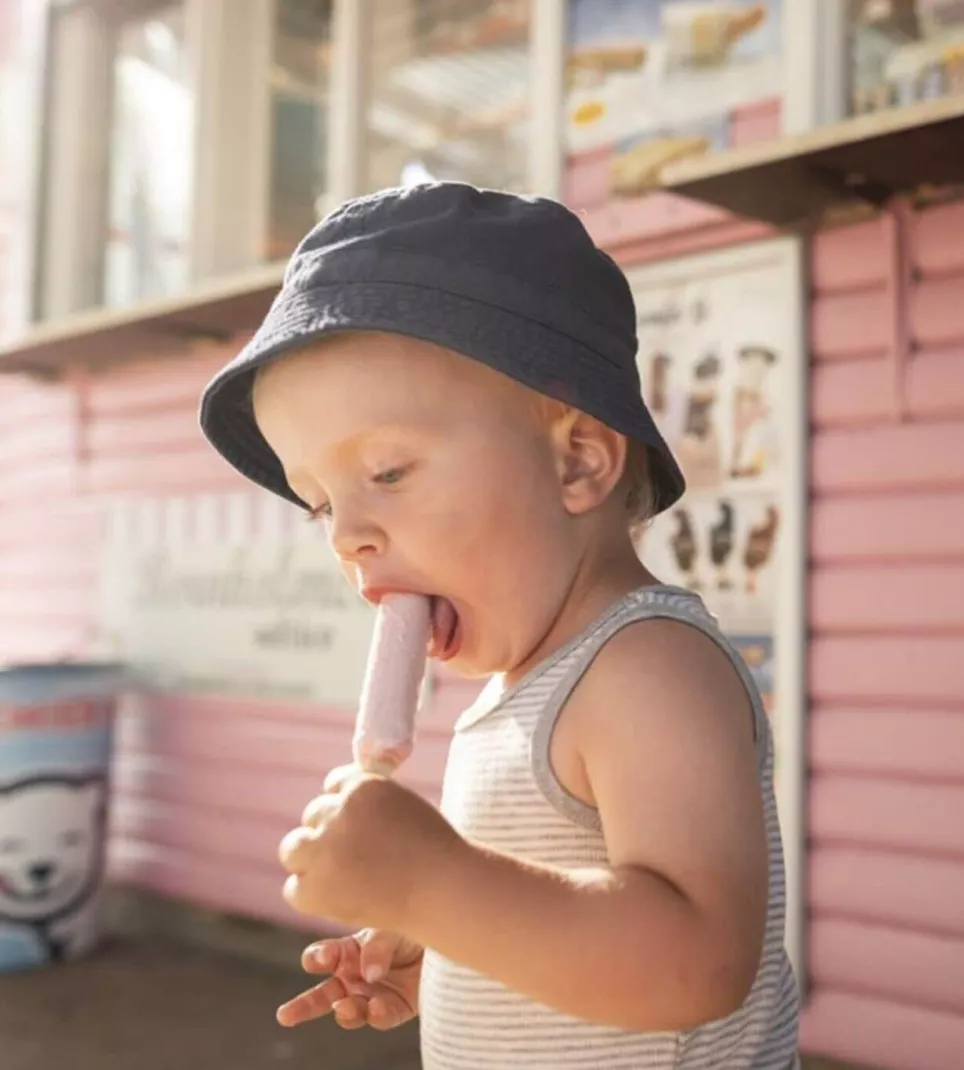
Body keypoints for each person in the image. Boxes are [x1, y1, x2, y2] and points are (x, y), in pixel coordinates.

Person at [197, 183, 800, 1069]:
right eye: (317, 504)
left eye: (389, 472)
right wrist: (454, 944)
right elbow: (576, 916)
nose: (347, 534)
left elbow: (698, 963)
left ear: (578, 460)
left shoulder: (647, 667)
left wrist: (438, 886)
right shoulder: (522, 690)